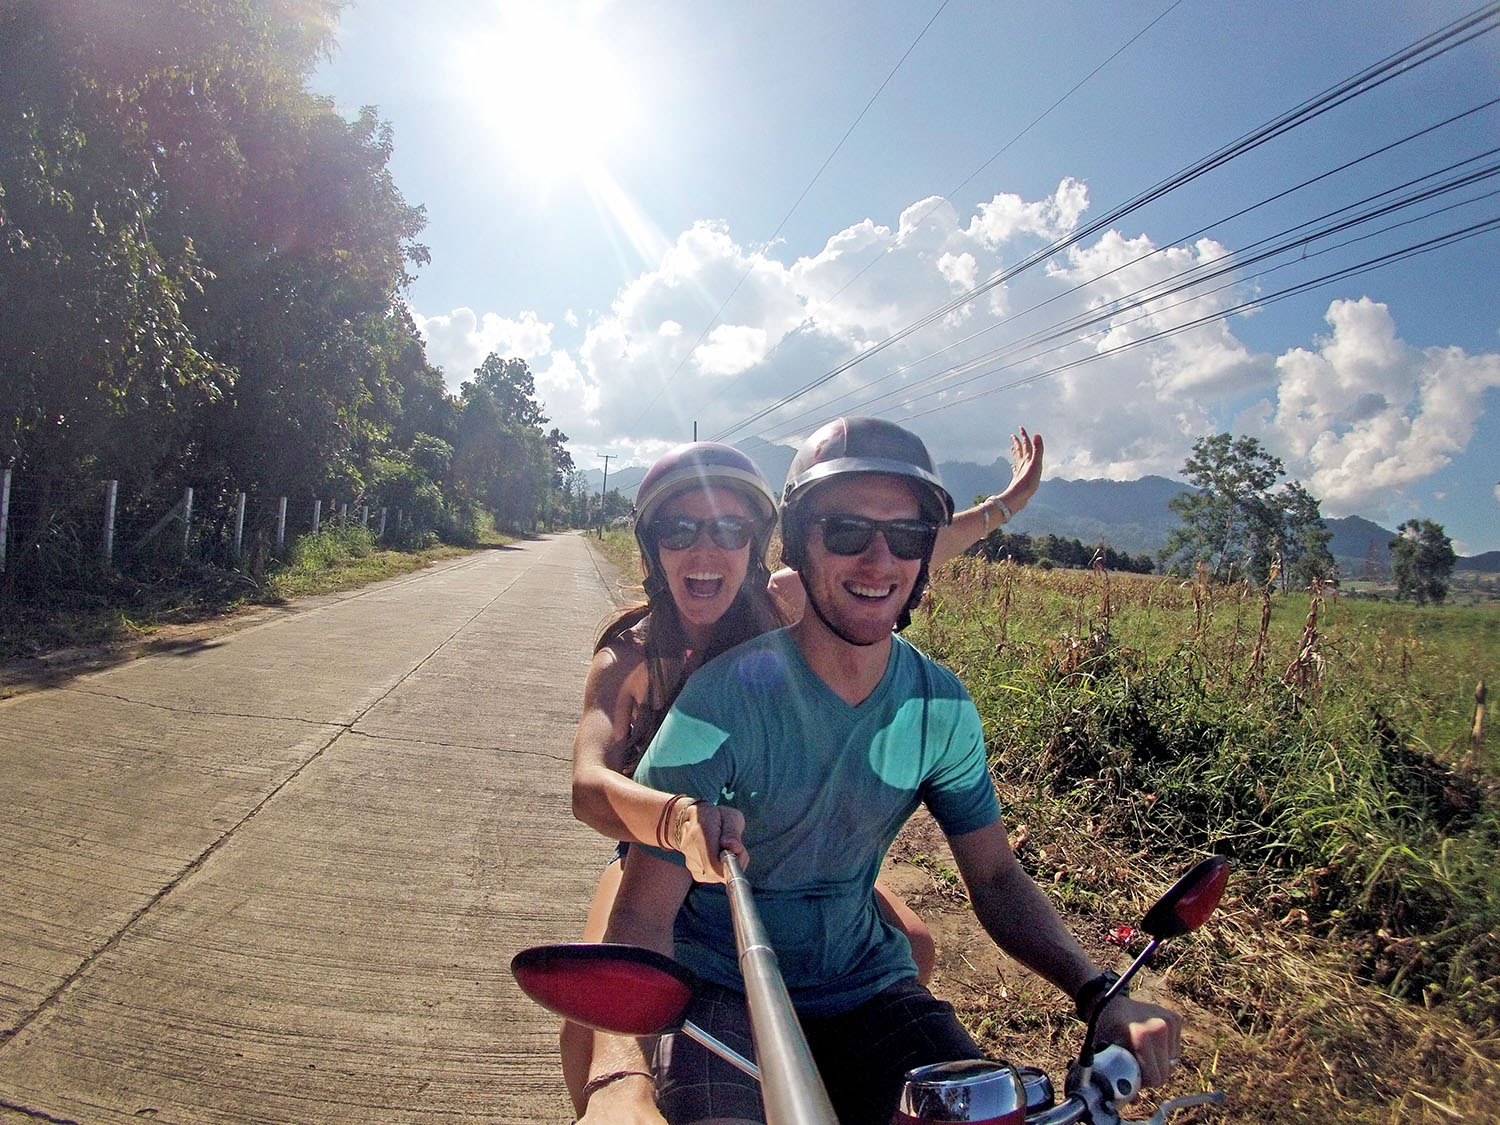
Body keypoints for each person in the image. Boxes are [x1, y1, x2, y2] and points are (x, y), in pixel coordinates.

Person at [577, 417, 1180, 1124]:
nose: (878, 559)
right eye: (845, 532)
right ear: (801, 544)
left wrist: (1096, 988)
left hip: (864, 982)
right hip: (718, 968)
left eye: (904, 537)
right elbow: (639, 900)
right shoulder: (701, 689)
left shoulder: (940, 707)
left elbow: (993, 875)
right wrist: (621, 1074)